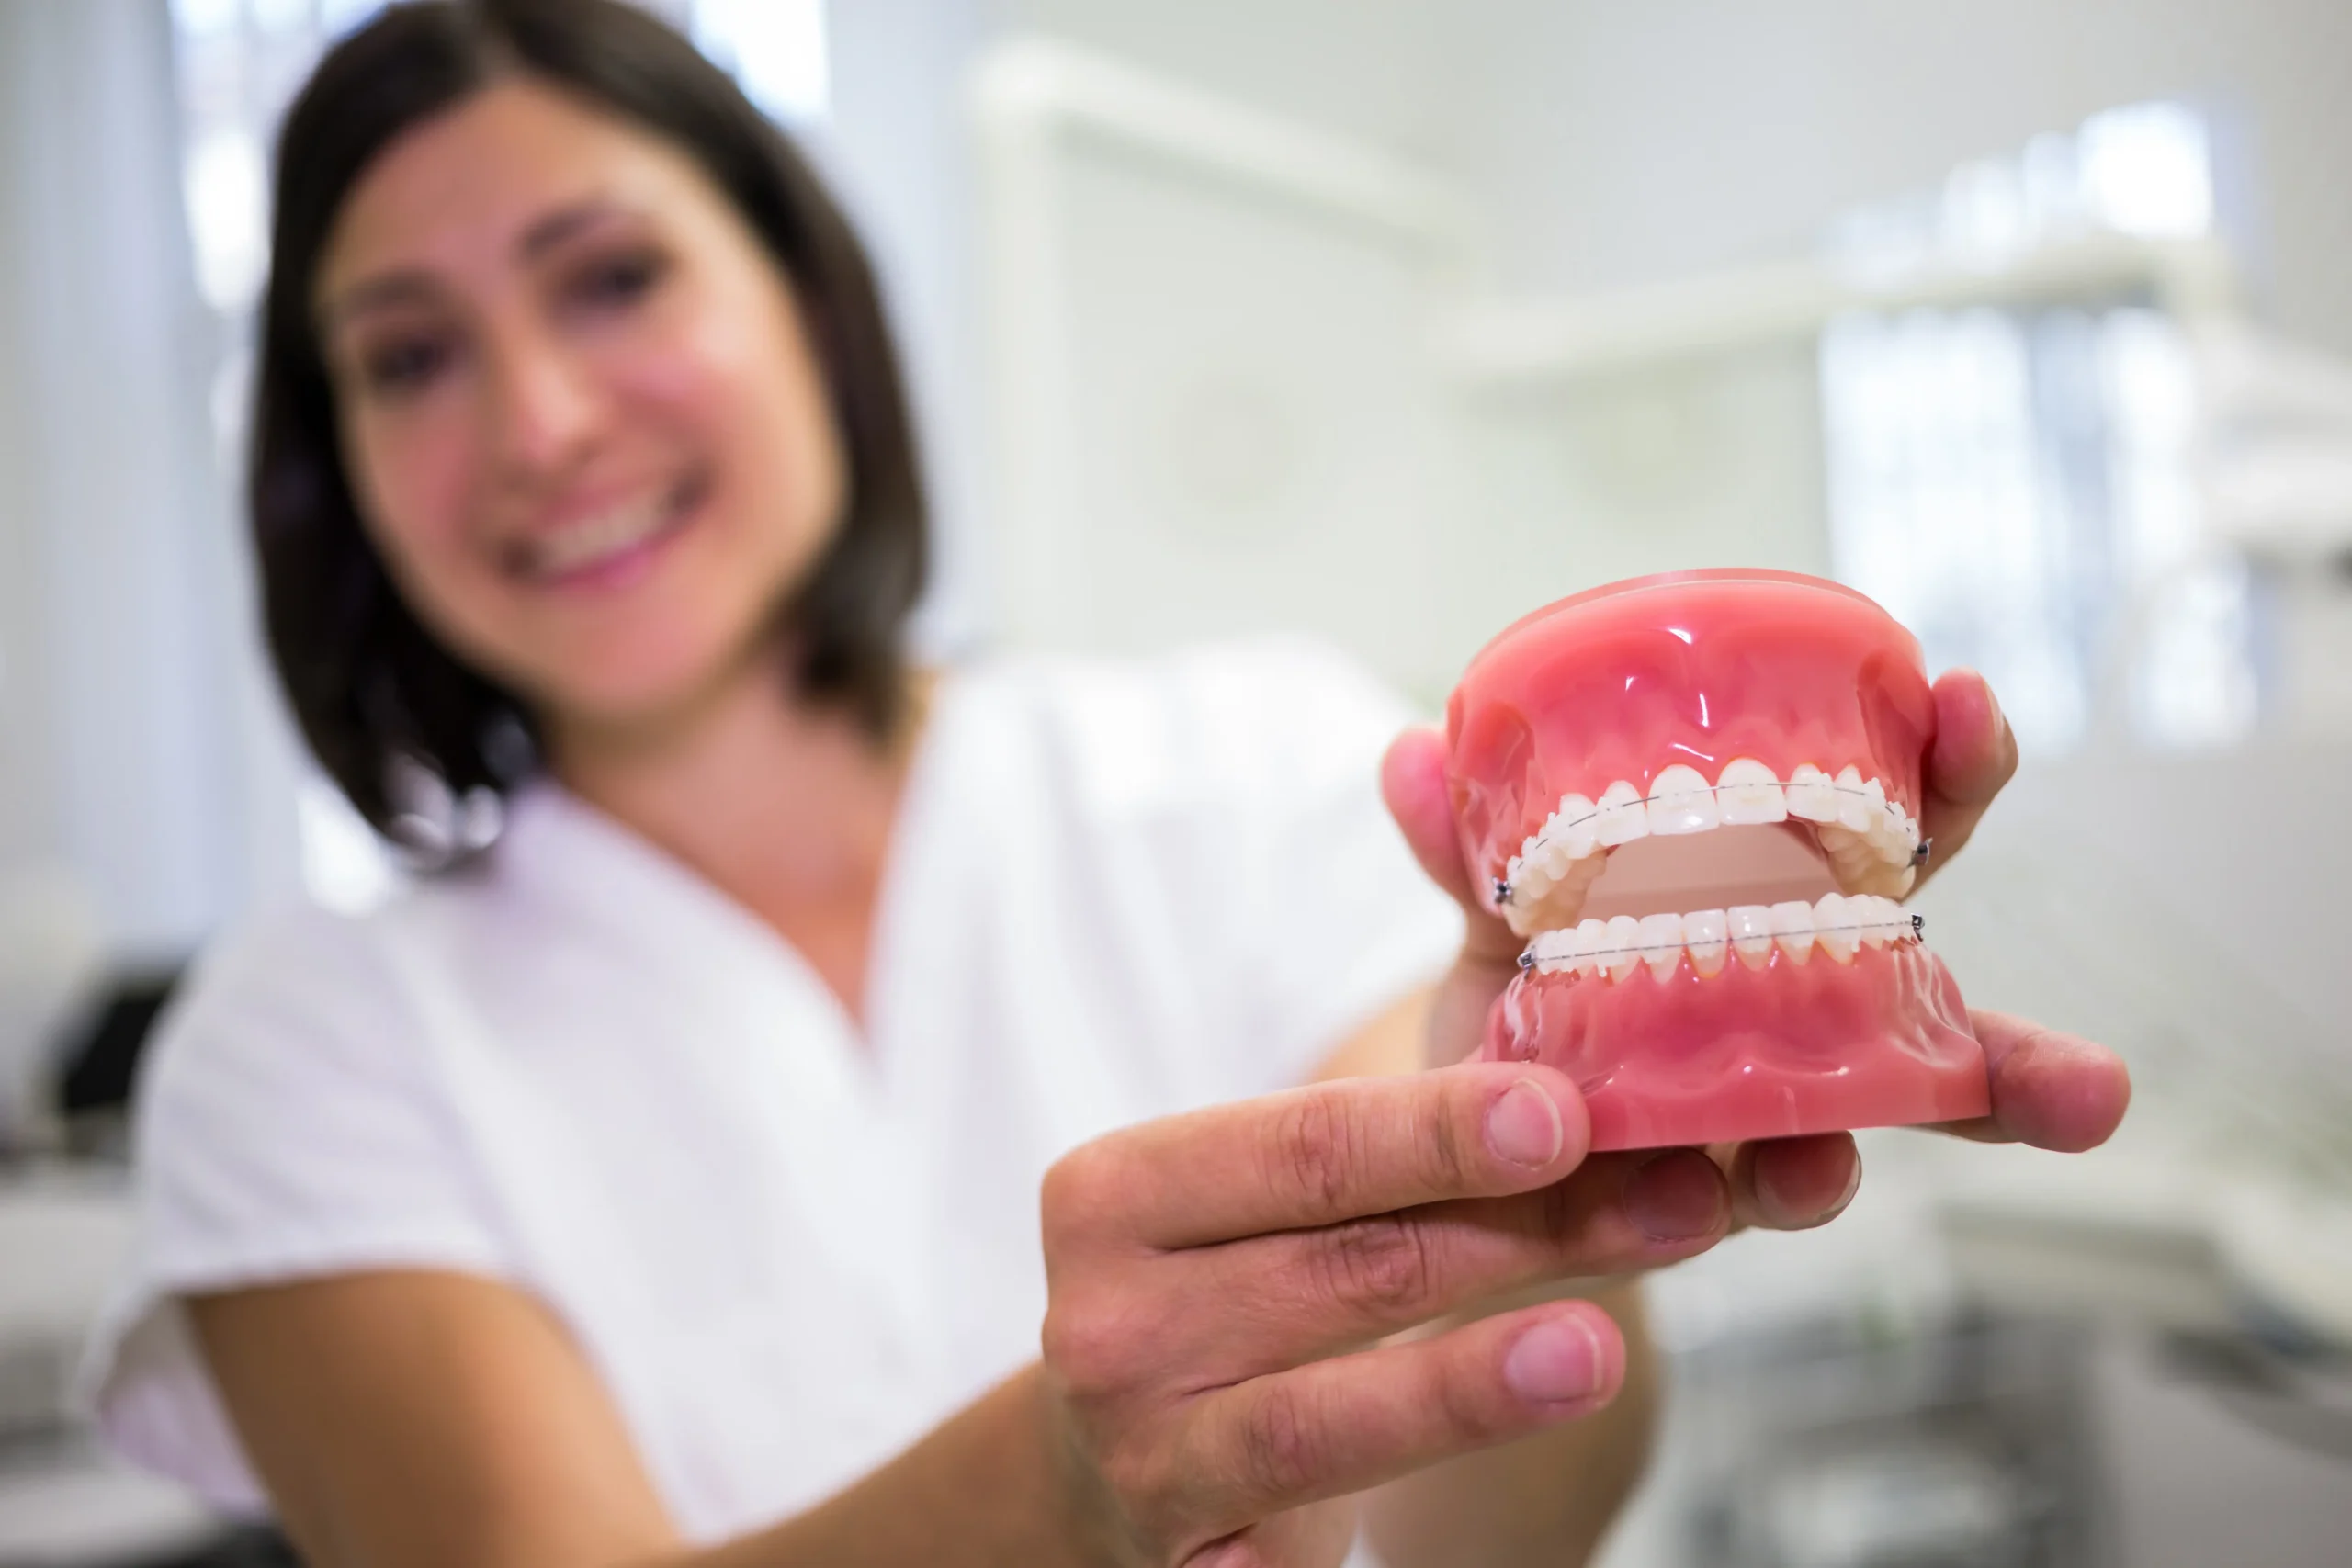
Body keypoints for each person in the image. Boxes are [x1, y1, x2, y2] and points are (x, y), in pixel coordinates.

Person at [81, 3, 2132, 1565]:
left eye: (610, 277)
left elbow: (1485, 1525)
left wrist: (1544, 1195)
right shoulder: (295, 1048)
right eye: (406, 353)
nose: (534, 419)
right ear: (327, 464)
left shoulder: (1241, 770)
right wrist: (1057, 1491)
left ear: (803, 301)